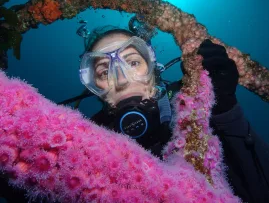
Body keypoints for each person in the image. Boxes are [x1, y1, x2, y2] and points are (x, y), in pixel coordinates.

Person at [1, 24, 269, 203]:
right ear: (94, 89)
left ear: (153, 68)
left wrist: (226, 111)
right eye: (104, 72)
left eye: (132, 62)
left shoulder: (193, 107)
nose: (122, 78)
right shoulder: (78, 145)